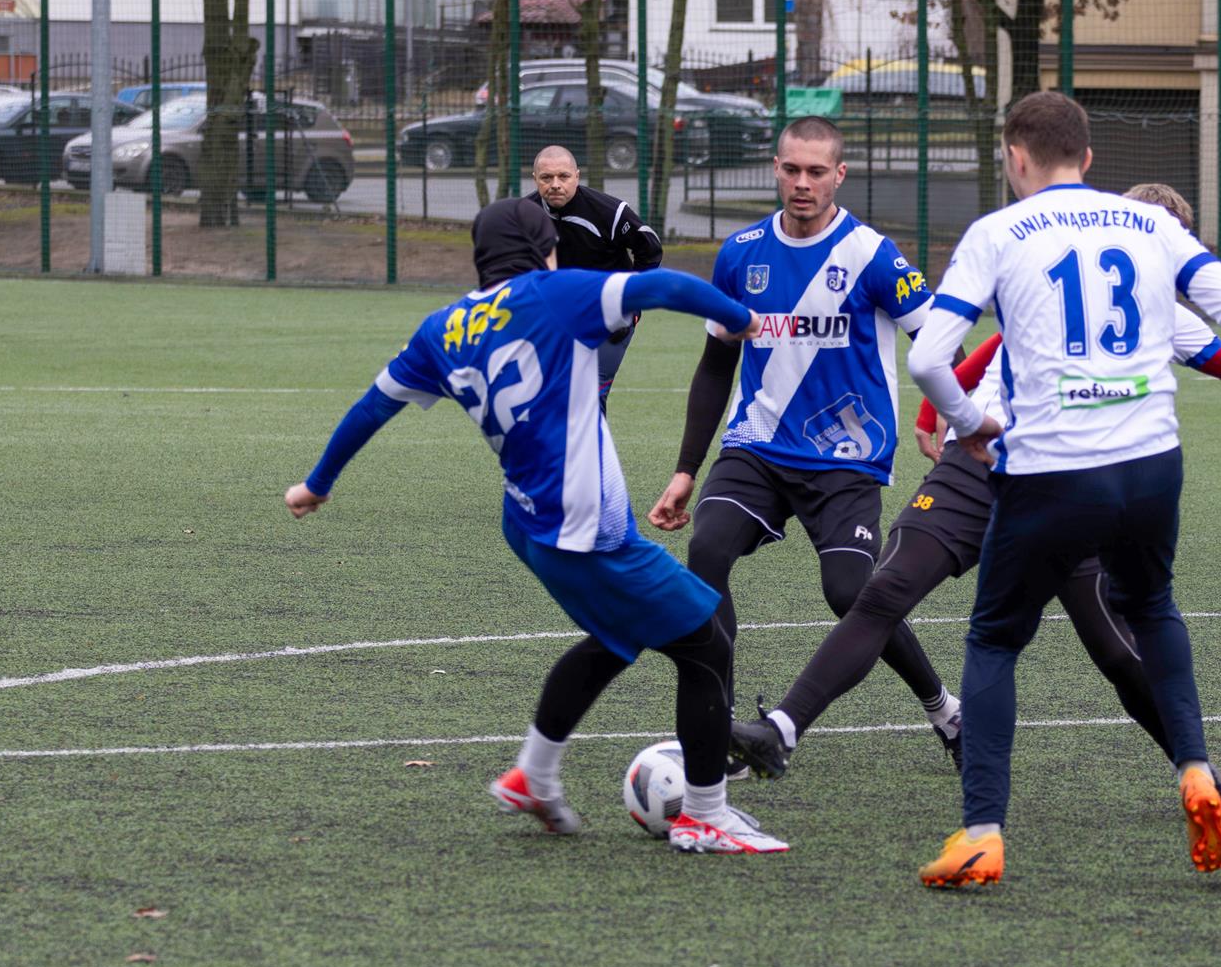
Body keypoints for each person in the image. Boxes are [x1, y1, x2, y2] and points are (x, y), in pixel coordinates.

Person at [729, 181, 1221, 827]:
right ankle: (781, 729)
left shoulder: (1100, 284)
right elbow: (990, 350)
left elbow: (978, 350)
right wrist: (939, 411)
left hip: (1043, 472)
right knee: (890, 591)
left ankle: (1196, 770)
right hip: (1002, 464)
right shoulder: (1105, 279)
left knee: (1108, 647)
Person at [287, 198, 787, 855]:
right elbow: (664, 285)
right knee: (706, 645)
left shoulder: (442, 328)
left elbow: (372, 407)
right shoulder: (557, 293)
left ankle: (535, 776)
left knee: (615, 638)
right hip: (585, 531)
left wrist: (318, 483)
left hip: (526, 523)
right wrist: (742, 318)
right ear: (545, 248)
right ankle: (703, 815)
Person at [907, 92, 1221, 887]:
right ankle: (1195, 769)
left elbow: (928, 358)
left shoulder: (998, 231)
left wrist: (968, 422)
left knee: (994, 640)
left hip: (1051, 470)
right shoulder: (1150, 224)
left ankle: (982, 833)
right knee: (1154, 609)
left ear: (1015, 157)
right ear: (1090, 158)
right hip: (1151, 465)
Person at [647, 116, 962, 763]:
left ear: (839, 175)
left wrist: (953, 418)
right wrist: (686, 468)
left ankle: (946, 711)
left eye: (817, 171)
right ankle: (721, 732)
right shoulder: (740, 254)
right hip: (756, 445)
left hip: (847, 458)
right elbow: (716, 365)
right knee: (706, 552)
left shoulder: (873, 255)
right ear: (776, 168)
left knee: (851, 593)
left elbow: (939, 343)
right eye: (791, 169)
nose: (802, 182)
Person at [512, 145, 663, 410]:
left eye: (563, 176)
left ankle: (591, 440)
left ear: (577, 176)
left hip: (609, 315)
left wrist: (630, 301)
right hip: (556, 316)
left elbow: (650, 250)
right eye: (546, 177)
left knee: (589, 395)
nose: (555, 184)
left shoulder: (610, 212)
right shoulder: (523, 216)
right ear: (535, 179)